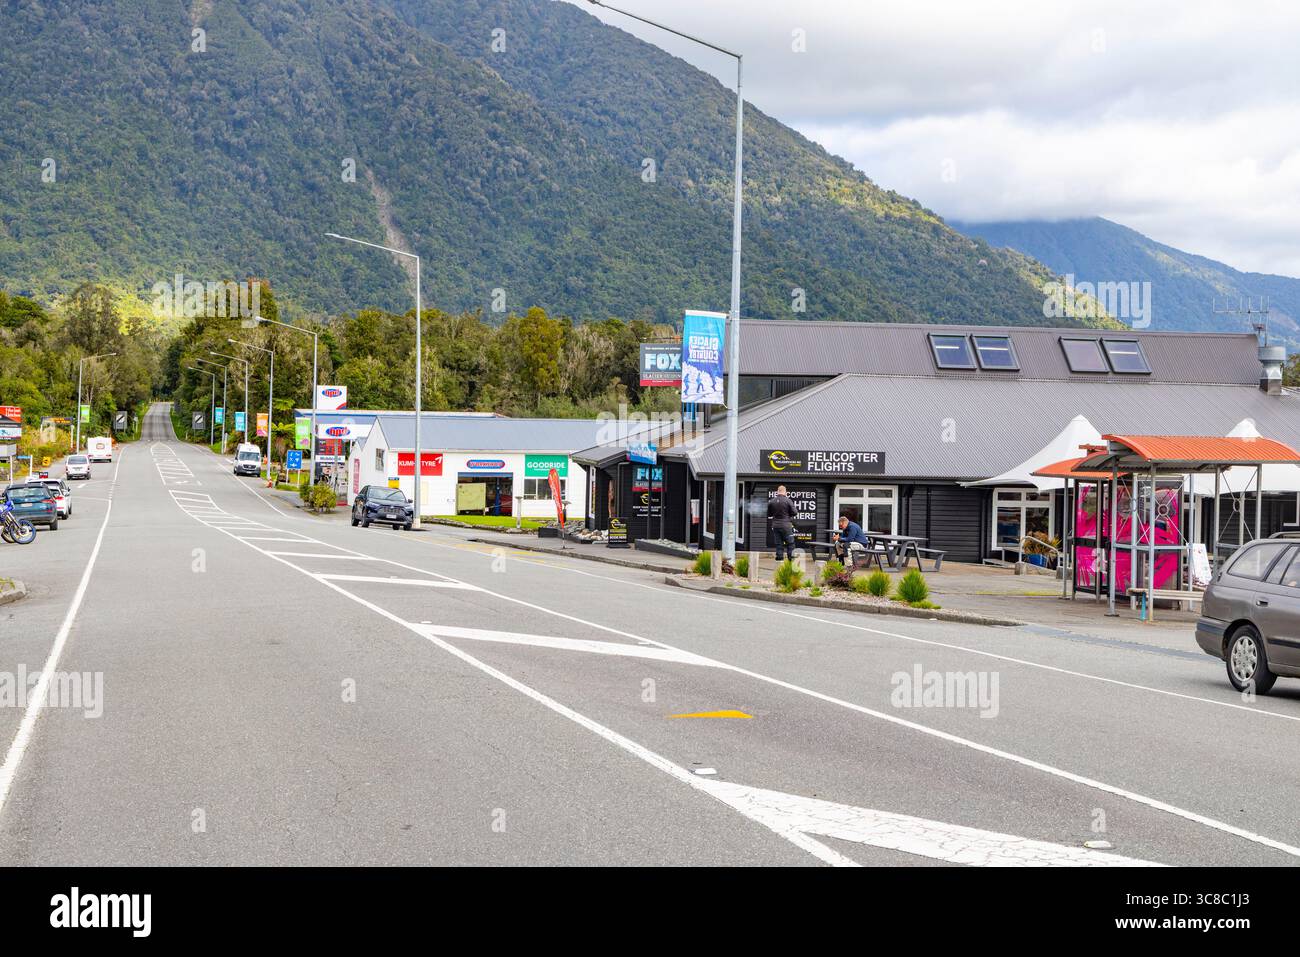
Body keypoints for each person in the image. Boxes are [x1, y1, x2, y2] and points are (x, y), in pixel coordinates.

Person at [767, 485, 797, 561]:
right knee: (790, 543)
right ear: (785, 492)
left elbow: (769, 514)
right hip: (786, 525)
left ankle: (779, 560)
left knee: (779, 544)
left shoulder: (772, 501)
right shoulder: (788, 500)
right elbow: (795, 512)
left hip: (776, 526)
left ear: (778, 491)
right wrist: (788, 514)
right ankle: (791, 560)